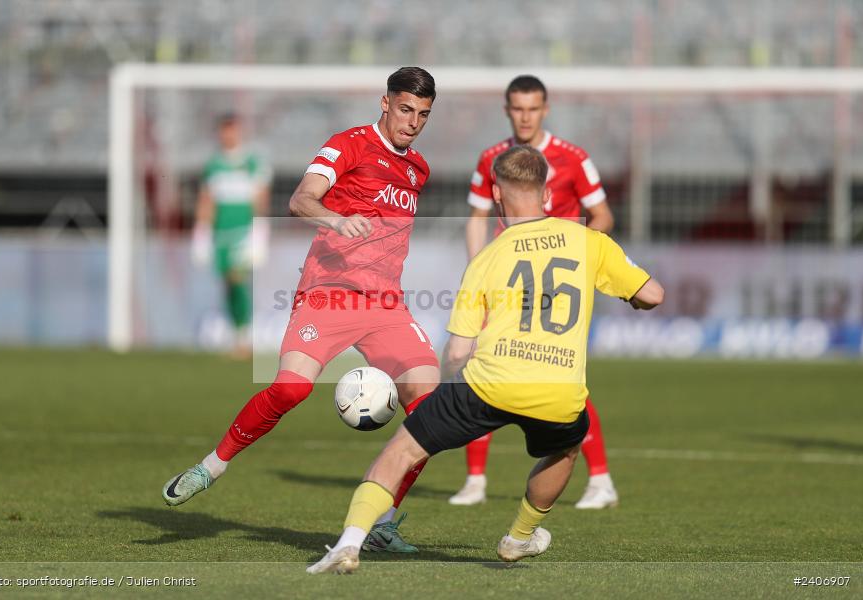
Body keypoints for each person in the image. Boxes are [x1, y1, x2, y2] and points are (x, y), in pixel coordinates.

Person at [307, 145, 663, 574]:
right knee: (567, 447)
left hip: (487, 385)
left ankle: (349, 543)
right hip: (558, 391)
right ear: (546, 194)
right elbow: (652, 294)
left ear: (497, 193)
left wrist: (445, 393)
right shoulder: (591, 242)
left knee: (401, 450)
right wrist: (636, 301)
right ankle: (520, 537)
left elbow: (457, 350)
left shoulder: (488, 258)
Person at [163, 67, 441, 554]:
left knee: (430, 405)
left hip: (384, 303)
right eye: (405, 109)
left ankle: (384, 520)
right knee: (291, 389)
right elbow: (300, 200)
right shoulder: (349, 144)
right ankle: (211, 467)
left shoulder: (418, 169)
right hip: (328, 292)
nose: (412, 121)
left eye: (422, 114)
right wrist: (338, 218)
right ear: (385, 103)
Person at [452, 75, 619, 510]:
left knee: (564, 378)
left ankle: (600, 480)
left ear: (545, 110)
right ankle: (475, 480)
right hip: (508, 282)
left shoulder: (573, 158)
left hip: (556, 289)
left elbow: (602, 216)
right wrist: (478, 273)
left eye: (533, 108)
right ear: (507, 110)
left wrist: (574, 250)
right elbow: (476, 217)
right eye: (517, 108)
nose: (525, 116)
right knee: (484, 365)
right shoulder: (492, 157)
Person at [192, 113, 271, 359]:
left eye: (233, 130)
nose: (229, 135)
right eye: (225, 130)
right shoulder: (213, 165)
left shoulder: (253, 162)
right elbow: (207, 200)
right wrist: (201, 233)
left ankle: (244, 338)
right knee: (227, 284)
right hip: (220, 233)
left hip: (243, 232)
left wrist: (259, 232)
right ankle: (237, 335)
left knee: (238, 281)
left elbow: (260, 198)